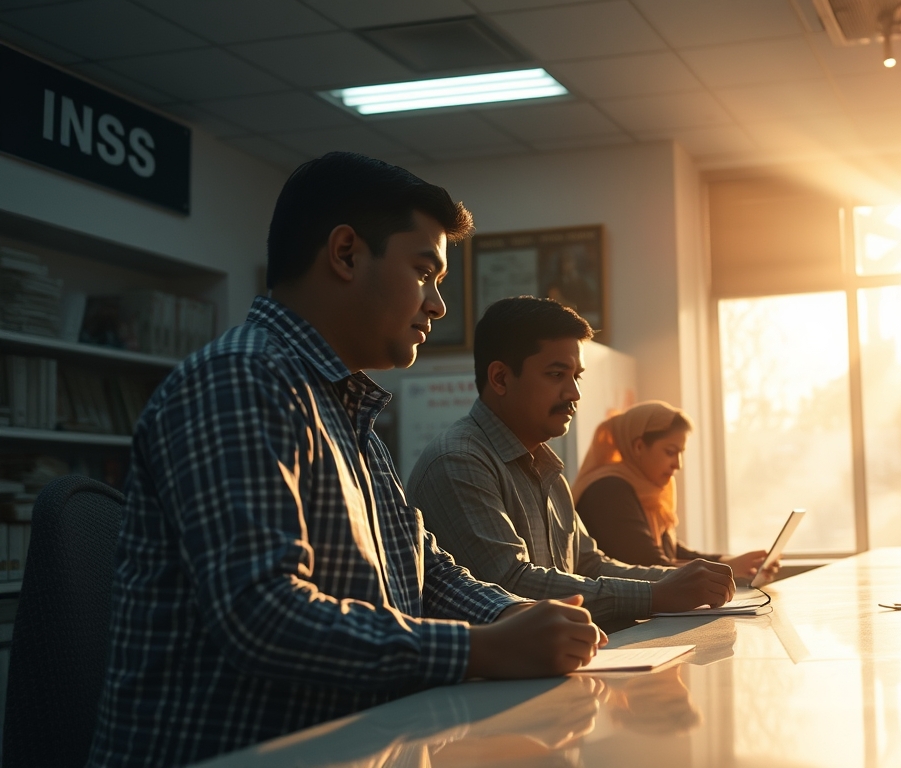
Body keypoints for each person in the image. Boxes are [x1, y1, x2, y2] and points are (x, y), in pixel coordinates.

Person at [87, 153, 605, 768]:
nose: (438, 306)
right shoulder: (242, 379)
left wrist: (519, 618)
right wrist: (481, 649)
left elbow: (426, 571)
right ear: (346, 254)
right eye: (425, 273)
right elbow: (264, 614)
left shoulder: (344, 407)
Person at [406, 297, 735, 627]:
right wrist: (657, 594)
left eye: (577, 376)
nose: (574, 393)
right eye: (556, 374)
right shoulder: (459, 461)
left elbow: (589, 564)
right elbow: (513, 584)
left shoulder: (545, 467)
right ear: (501, 379)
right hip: (496, 677)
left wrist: (681, 581)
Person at [572, 400, 775, 582]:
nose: (678, 464)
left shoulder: (646, 489)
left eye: (681, 453)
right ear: (639, 446)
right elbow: (649, 565)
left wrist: (730, 561)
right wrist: (727, 568)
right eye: (670, 452)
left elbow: (671, 549)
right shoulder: (608, 490)